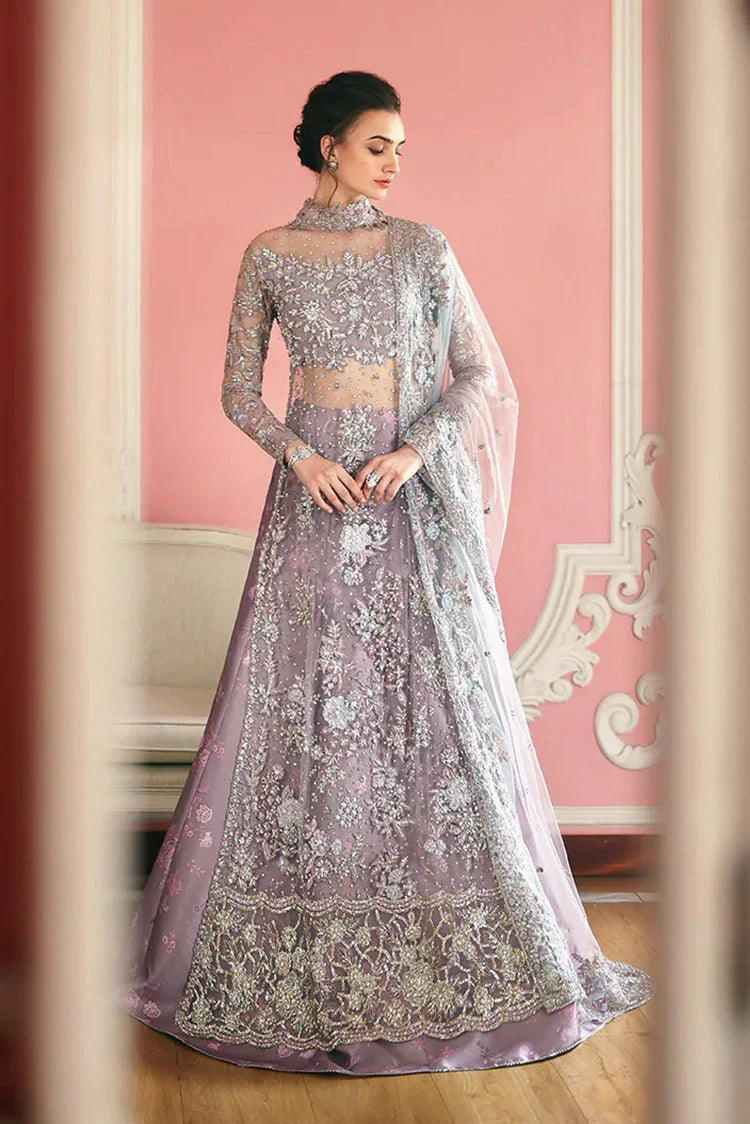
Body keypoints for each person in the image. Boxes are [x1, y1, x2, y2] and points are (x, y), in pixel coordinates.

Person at [112, 70, 654, 1076]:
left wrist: (414, 450)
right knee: (307, 710)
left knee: (432, 711)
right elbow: (238, 389)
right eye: (376, 144)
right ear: (328, 146)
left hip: (411, 508)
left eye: (401, 146)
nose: (395, 162)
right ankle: (304, 928)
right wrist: (299, 456)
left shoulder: (423, 248)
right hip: (313, 510)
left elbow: (479, 375)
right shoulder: (269, 254)